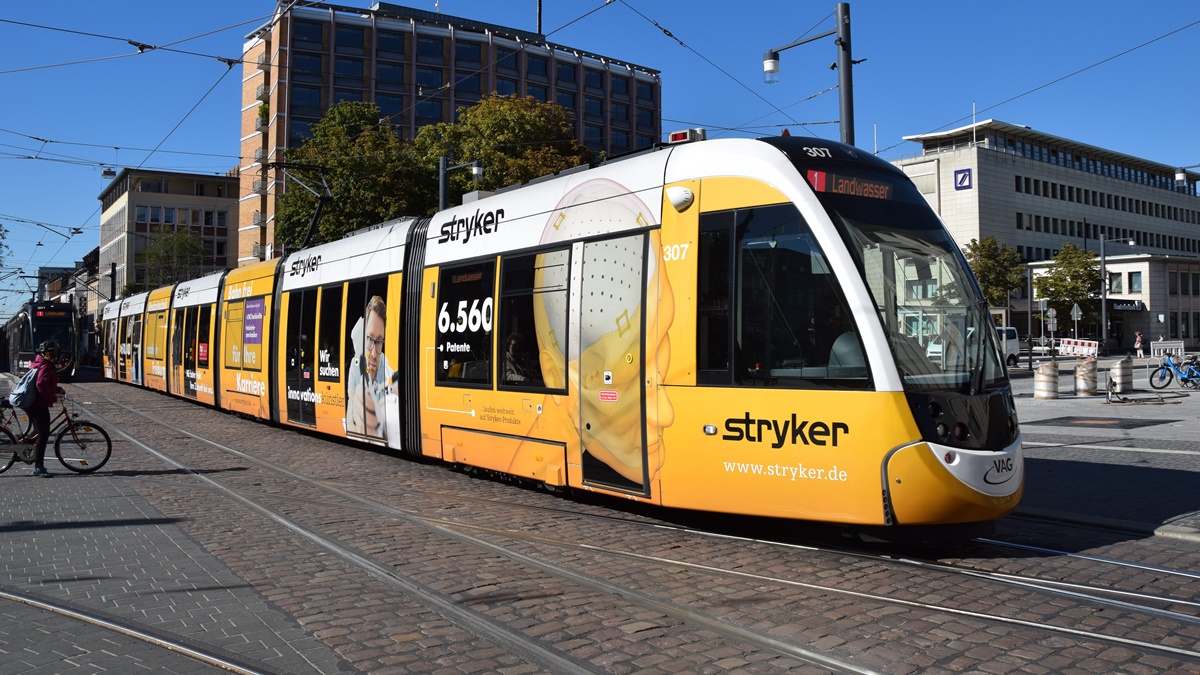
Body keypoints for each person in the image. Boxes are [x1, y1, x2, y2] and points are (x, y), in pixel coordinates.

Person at [346, 296, 393, 439]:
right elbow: (351, 407)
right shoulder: (356, 365)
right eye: (370, 339)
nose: (373, 353)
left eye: (379, 342)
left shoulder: (385, 365)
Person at [24, 340, 65, 478]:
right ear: (53, 353)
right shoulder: (46, 366)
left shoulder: (40, 362)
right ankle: (38, 467)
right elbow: (41, 385)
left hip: (33, 403)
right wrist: (53, 398)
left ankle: (22, 449)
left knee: (37, 431)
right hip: (38, 404)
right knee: (43, 434)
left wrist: (58, 389)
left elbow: (46, 383)